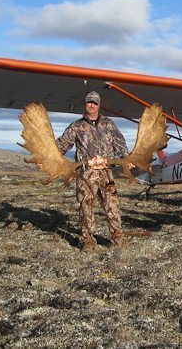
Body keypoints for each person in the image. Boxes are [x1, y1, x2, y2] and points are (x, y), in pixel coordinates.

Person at [56, 91, 133, 251]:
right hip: (86, 173)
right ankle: (89, 241)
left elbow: (119, 142)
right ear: (85, 104)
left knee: (112, 206)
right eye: (88, 102)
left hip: (106, 172)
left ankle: (118, 238)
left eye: (94, 103)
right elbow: (62, 145)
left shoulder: (109, 124)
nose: (91, 105)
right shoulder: (76, 126)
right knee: (86, 206)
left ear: (99, 105)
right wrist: (48, 158)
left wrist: (127, 158)